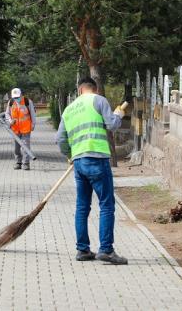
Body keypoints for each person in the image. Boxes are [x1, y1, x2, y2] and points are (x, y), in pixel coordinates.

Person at [56, 77, 127, 265]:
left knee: (82, 206)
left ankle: (83, 250)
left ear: (80, 90)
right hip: (97, 158)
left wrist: (70, 154)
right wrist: (118, 114)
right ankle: (106, 250)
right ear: (94, 89)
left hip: (79, 162)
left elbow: (60, 138)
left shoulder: (69, 109)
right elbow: (111, 125)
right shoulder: (99, 100)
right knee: (106, 205)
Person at [5, 87, 36, 170]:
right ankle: (18, 162)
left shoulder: (27, 102)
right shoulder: (11, 102)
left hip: (26, 128)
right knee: (16, 147)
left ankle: (26, 163)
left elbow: (32, 114)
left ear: (21, 95)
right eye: (15, 97)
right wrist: (10, 121)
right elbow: (7, 114)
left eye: (18, 97)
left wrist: (33, 125)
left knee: (25, 146)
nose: (16, 99)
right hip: (15, 130)